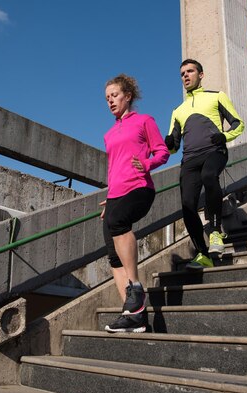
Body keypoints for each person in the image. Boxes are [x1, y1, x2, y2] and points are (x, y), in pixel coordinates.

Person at [101, 74, 170, 333]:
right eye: (107, 98)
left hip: (139, 187)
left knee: (119, 223)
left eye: (115, 95)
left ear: (127, 95)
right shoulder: (109, 134)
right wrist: (108, 198)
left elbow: (162, 151)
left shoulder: (144, 121)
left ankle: (136, 289)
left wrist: (148, 164)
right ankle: (133, 315)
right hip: (116, 194)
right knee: (112, 254)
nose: (110, 101)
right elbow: (112, 169)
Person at [165, 59, 244, 269]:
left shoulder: (216, 96)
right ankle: (203, 254)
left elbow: (239, 123)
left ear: (201, 75)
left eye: (190, 71)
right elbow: (173, 147)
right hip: (189, 159)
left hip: (214, 151)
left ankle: (216, 233)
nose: (185, 76)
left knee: (210, 176)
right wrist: (169, 144)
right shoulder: (177, 111)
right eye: (182, 73)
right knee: (187, 206)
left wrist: (224, 136)